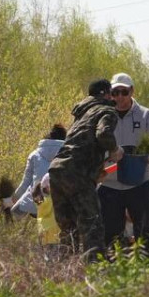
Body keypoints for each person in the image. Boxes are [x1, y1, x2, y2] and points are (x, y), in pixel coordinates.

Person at [48, 80, 122, 261]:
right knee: (92, 227)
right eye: (112, 93)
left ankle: (65, 275)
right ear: (106, 94)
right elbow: (103, 134)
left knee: (68, 229)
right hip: (78, 173)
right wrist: (115, 150)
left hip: (57, 170)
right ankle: (96, 275)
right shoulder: (106, 111)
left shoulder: (81, 114)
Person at [98, 73, 149, 255]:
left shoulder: (145, 115)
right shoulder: (103, 116)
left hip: (139, 184)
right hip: (109, 185)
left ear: (131, 91)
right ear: (110, 93)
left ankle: (147, 278)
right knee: (110, 237)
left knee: (146, 234)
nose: (120, 97)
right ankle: (114, 276)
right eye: (115, 92)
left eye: (124, 92)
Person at [9, 124, 65, 218]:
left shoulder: (35, 155)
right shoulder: (69, 155)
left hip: (38, 201)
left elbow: (26, 182)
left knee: (16, 212)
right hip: (61, 204)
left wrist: (16, 197)